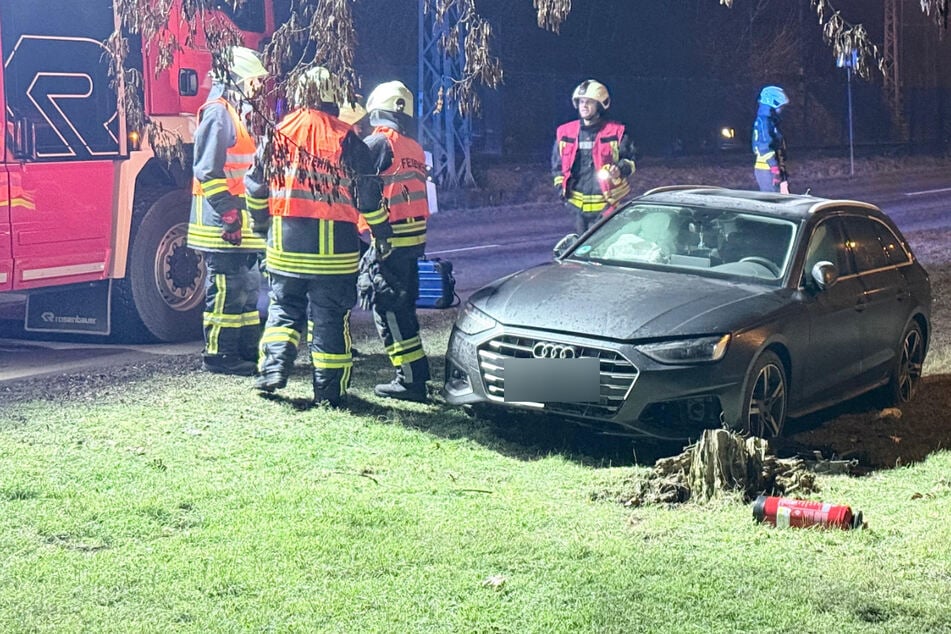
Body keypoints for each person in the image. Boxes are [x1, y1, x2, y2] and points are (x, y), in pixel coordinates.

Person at [244, 66, 392, 407]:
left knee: (283, 311)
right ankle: (329, 393)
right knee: (328, 319)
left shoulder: (278, 132)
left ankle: (272, 372)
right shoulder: (346, 138)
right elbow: (367, 195)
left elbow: (254, 184)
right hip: (333, 254)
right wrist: (381, 232)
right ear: (333, 99)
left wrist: (260, 224)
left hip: (283, 248)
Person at [188, 46, 270, 376]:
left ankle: (245, 349)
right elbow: (207, 170)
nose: (257, 88)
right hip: (222, 226)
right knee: (225, 291)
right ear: (235, 80)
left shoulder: (238, 114)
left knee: (247, 290)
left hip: (240, 227)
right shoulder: (218, 113)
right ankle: (219, 356)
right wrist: (228, 213)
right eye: (252, 81)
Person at [358, 80, 431, 403]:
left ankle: (409, 380)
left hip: (389, 240)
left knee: (387, 307)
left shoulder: (378, 143)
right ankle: (416, 374)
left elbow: (361, 188)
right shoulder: (412, 146)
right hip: (412, 239)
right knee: (402, 308)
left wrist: (377, 230)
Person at [552, 79, 637, 234]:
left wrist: (618, 169)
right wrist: (561, 189)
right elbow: (557, 167)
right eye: (581, 101)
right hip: (576, 207)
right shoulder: (565, 133)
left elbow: (630, 162)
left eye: (589, 102)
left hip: (606, 204)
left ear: (600, 105)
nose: (583, 106)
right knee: (579, 249)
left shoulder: (616, 132)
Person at [752, 85, 790, 193]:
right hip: (767, 169)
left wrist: (782, 173)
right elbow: (764, 146)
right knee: (772, 201)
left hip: (771, 168)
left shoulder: (769, 121)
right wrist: (774, 167)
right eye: (780, 106)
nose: (782, 109)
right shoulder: (764, 122)